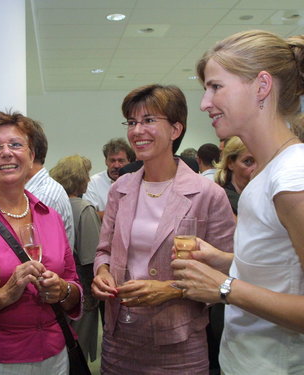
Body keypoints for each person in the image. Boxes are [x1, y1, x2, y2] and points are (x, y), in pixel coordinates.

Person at [172, 30, 304, 374]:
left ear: (262, 86)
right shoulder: (269, 172)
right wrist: (224, 261)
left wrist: (224, 288)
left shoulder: (293, 175)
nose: (204, 103)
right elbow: (281, 271)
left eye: (216, 87)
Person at [91, 84, 235, 374]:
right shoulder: (121, 189)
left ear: (175, 129)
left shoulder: (207, 194)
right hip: (120, 339)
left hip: (179, 342)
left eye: (148, 121)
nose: (137, 130)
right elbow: (104, 251)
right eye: (132, 122)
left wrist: (171, 290)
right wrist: (102, 273)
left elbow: (225, 274)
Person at [0, 111, 82, 375]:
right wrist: (6, 295)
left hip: (57, 355)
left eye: (16, 145)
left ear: (31, 156)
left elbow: (75, 286)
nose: (6, 153)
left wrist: (63, 290)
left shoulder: (50, 216)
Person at [50, 155, 101, 363]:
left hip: (59, 286)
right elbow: (93, 257)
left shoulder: (52, 205)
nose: (89, 181)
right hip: (82, 290)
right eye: (86, 175)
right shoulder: (84, 209)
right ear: (79, 178)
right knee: (78, 349)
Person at [25, 119, 75, 249]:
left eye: (15, 145)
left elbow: (33, 254)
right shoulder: (33, 191)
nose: (8, 153)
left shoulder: (44, 196)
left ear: (31, 153)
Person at [83, 138, 135, 219]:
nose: (116, 165)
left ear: (129, 161)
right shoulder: (93, 183)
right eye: (112, 161)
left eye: (121, 161)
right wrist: (122, 214)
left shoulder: (137, 181)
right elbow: (89, 215)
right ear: (106, 161)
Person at [214, 136, 256, 215]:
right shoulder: (222, 201)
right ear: (230, 163)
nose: (256, 168)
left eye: (261, 161)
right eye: (248, 161)